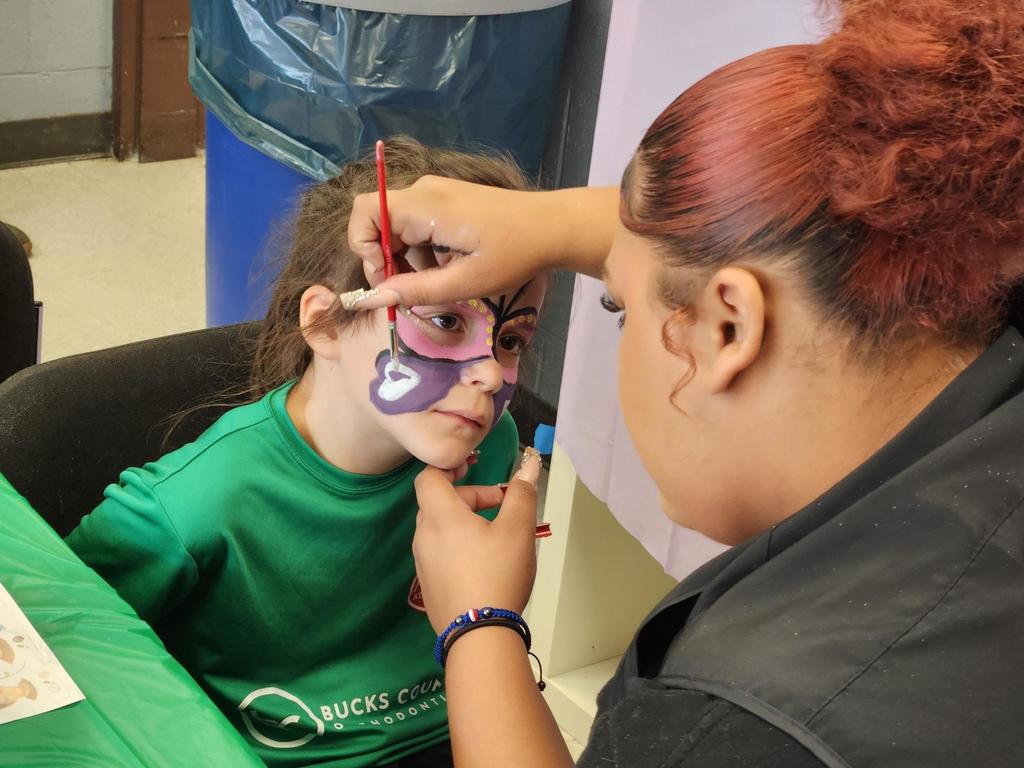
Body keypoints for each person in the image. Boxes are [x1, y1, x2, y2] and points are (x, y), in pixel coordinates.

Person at [341, 1, 1024, 766]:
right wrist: (574, 229)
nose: (487, 380)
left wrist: (476, 626)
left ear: (727, 328)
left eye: (619, 306)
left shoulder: (741, 731)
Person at [65, 138, 546, 768]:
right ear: (323, 325)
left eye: (510, 338)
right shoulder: (193, 505)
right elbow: (64, 640)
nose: (490, 375)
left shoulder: (490, 443)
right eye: (447, 322)